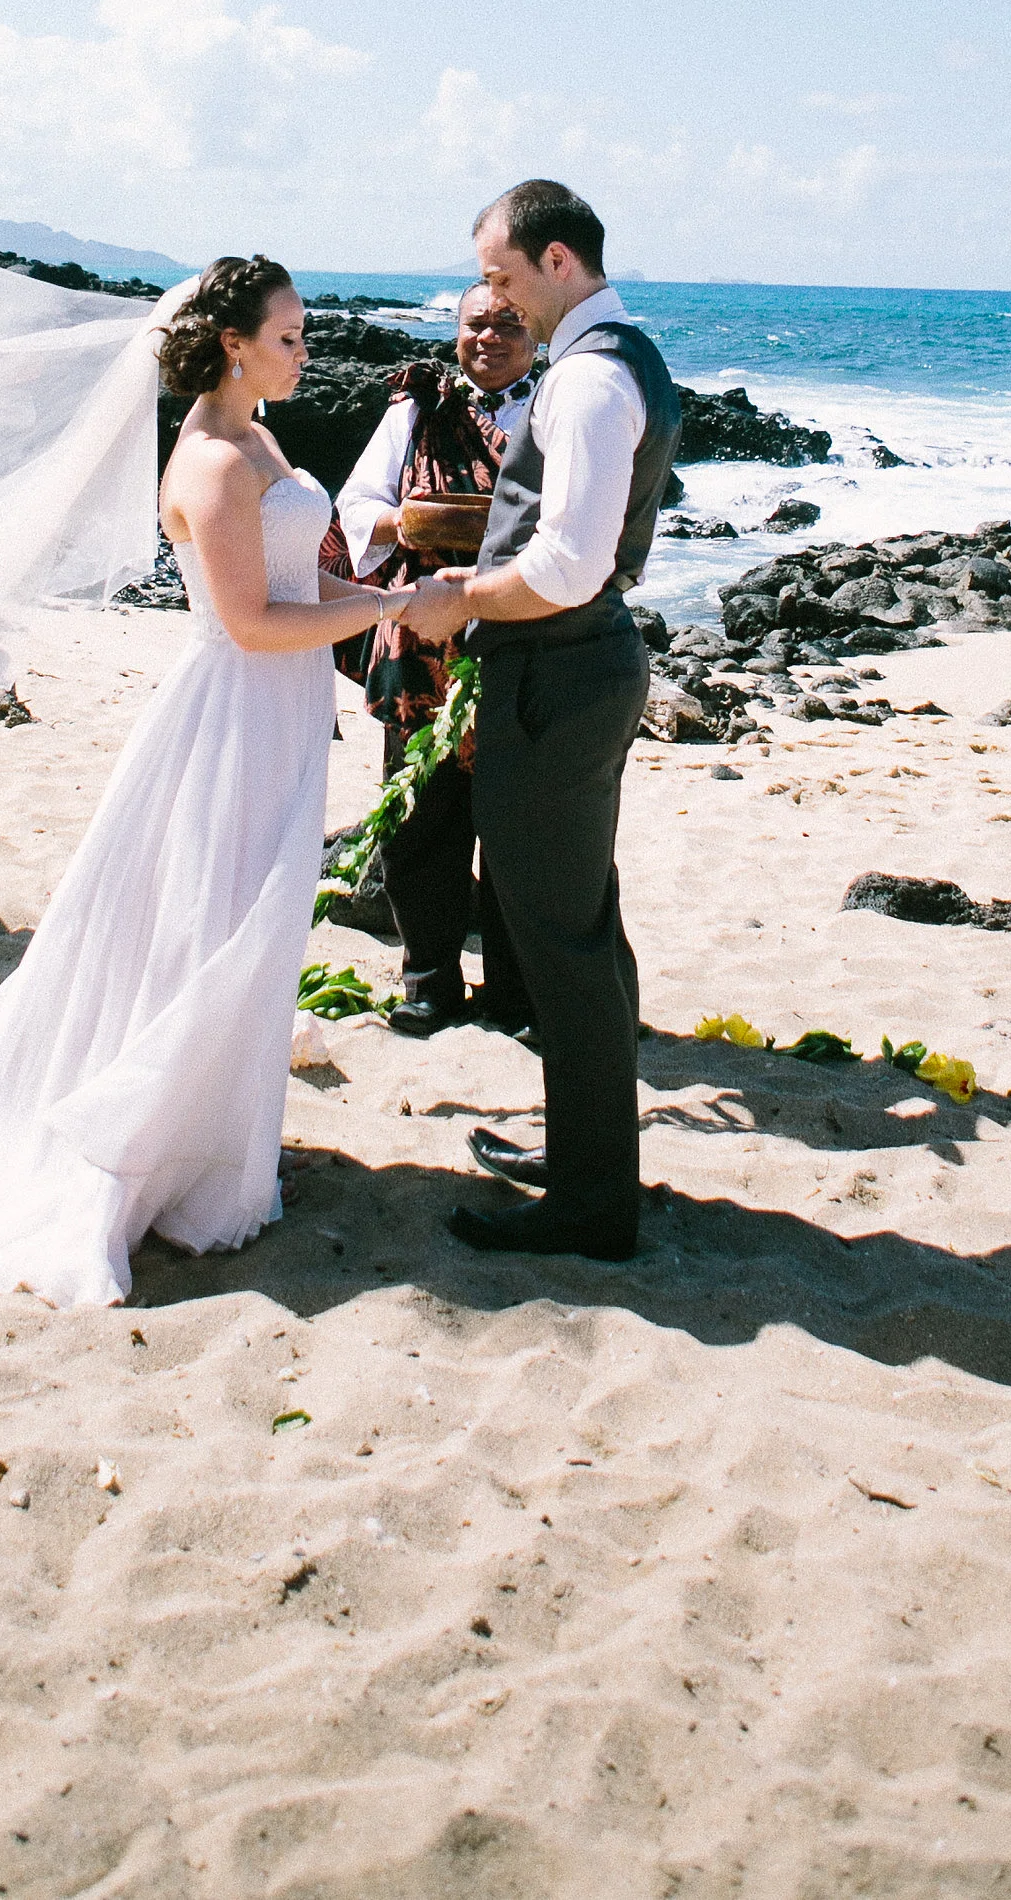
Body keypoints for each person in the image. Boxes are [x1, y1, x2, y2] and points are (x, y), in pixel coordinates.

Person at [0, 256, 416, 1311]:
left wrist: (385, 595)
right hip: (231, 707)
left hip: (278, 708)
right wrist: (380, 614)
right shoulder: (213, 463)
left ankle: (217, 1135)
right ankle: (153, 1151)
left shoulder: (258, 436)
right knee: (215, 920)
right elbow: (250, 622)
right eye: (288, 334)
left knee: (252, 920)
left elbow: (292, 582)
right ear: (232, 343)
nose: (303, 349)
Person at [400, 179, 683, 1263]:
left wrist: (459, 596)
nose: (492, 295)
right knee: (580, 924)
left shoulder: (585, 384)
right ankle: (587, 1158)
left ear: (556, 261)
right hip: (581, 666)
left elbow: (564, 566)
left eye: (501, 274)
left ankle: (591, 1200)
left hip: (558, 672)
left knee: (556, 935)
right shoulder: (631, 358)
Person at [335, 285, 538, 1038]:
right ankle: (428, 982)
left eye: (507, 324)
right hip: (422, 642)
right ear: (455, 332)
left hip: (521, 635)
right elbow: (356, 507)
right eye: (474, 324)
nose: (489, 338)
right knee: (420, 821)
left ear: (536, 332)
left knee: (516, 827)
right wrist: (410, 518)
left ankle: (516, 993)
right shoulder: (414, 411)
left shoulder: (554, 411)